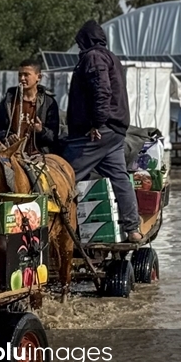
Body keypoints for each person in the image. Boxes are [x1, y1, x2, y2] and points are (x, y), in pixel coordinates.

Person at [63, 20, 142, 243]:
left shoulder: (94, 57)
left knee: (63, 174)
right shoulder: (110, 57)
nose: (79, 48)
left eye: (80, 43)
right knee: (120, 178)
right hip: (115, 132)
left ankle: (55, 231)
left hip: (99, 131)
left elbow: (102, 91)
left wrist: (96, 124)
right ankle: (132, 229)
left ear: (85, 41)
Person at [0, 58, 60, 155]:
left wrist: (41, 130)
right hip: (11, 154)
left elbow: (53, 136)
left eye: (26, 75)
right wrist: (8, 136)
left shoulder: (48, 102)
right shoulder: (8, 101)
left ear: (39, 77)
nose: (22, 78)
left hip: (39, 155)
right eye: (20, 75)